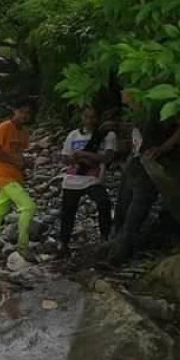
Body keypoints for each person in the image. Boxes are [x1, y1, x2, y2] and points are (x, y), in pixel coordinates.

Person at [106, 91, 180, 264]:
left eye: (126, 92)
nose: (123, 95)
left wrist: (163, 148)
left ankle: (118, 255)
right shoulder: (138, 113)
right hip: (134, 165)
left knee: (134, 216)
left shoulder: (156, 109)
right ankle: (114, 247)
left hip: (148, 169)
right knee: (121, 211)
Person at [59, 107, 117, 257]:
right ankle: (63, 243)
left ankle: (105, 237)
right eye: (87, 117)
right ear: (82, 118)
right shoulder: (73, 135)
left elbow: (107, 157)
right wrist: (76, 159)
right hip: (72, 179)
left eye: (93, 117)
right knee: (67, 212)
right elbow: (65, 157)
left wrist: (84, 154)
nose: (90, 120)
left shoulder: (106, 136)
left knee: (103, 203)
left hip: (93, 179)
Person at [0, 98, 36, 258]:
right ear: (15, 111)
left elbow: (18, 153)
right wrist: (16, 161)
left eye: (27, 113)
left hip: (15, 175)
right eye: (21, 112)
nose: (24, 116)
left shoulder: (24, 132)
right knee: (28, 207)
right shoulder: (4, 127)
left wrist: (24, 165)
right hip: (4, 175)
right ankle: (23, 245)